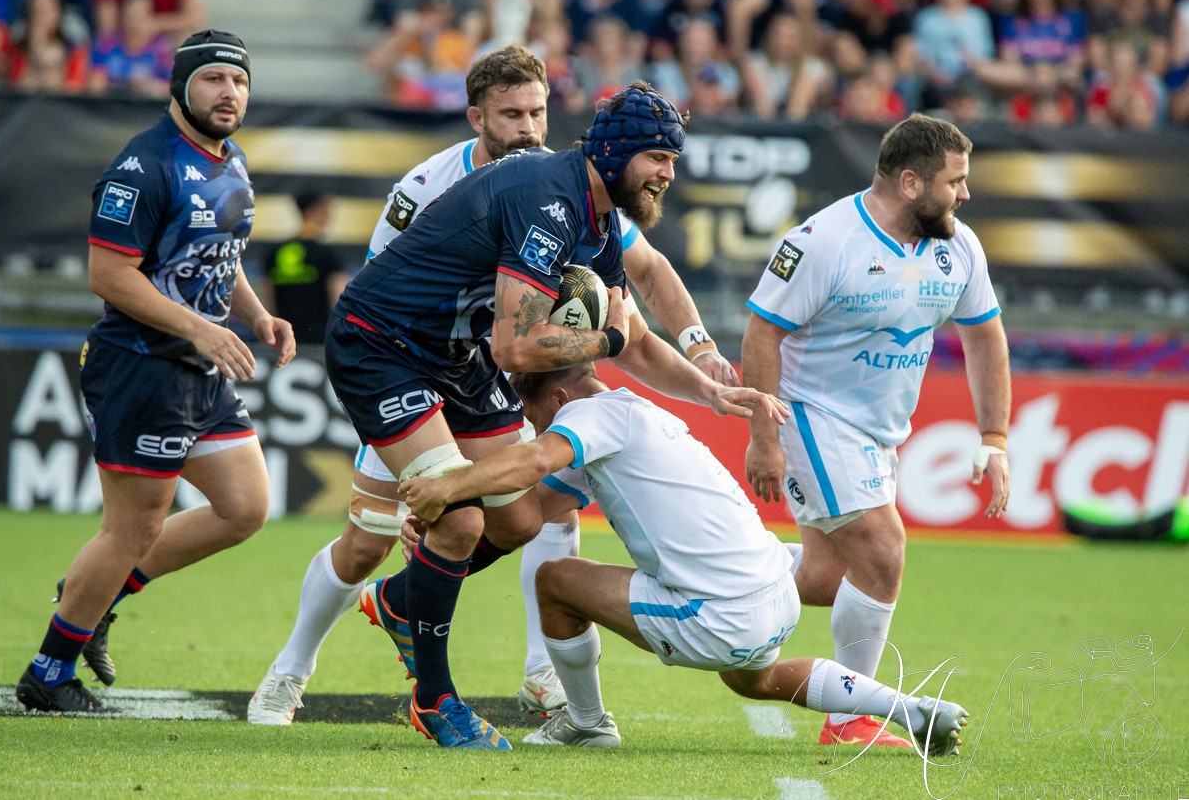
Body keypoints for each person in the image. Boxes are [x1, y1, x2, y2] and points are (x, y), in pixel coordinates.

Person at [247, 47, 738, 729]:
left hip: (468, 357)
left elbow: (637, 316)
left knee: (524, 515)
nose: (529, 125)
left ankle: (406, 605)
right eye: (659, 159)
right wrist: (607, 341)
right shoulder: (465, 186)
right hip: (388, 350)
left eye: (538, 110)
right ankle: (379, 689)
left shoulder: (591, 210)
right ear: (478, 116)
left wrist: (707, 382)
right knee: (402, 531)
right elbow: (529, 335)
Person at [400, 362, 970, 755]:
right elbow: (532, 512)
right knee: (756, 678)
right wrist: (444, 552)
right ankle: (910, 708)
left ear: (559, 399)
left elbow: (530, 463)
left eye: (531, 412)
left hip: (719, 614)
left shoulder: (584, 420)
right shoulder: (636, 416)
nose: (531, 425)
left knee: (555, 580)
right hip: (777, 591)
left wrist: (445, 489)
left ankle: (587, 723)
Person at [14, 30, 296, 713]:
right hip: (141, 365)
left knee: (244, 506)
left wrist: (255, 314)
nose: (229, 93)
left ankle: (96, 597)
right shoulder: (144, 166)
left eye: (240, 81)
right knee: (132, 528)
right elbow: (109, 275)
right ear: (181, 87)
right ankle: (48, 672)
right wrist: (201, 326)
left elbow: (216, 259)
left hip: (197, 365)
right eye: (214, 80)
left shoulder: (230, 159)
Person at [742, 112, 1010, 749]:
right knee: (884, 549)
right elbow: (761, 334)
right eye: (956, 181)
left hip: (880, 432)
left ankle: (715, 570)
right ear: (911, 182)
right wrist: (764, 436)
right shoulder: (823, 241)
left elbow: (984, 338)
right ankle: (850, 719)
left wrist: (995, 438)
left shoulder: (958, 246)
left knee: (828, 579)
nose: (966, 194)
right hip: (812, 414)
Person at [264, 192, 350, 346]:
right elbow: (339, 299)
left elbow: (269, 302)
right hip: (320, 340)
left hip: (285, 338)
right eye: (326, 212)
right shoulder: (328, 254)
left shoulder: (275, 252)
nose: (329, 218)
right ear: (312, 211)